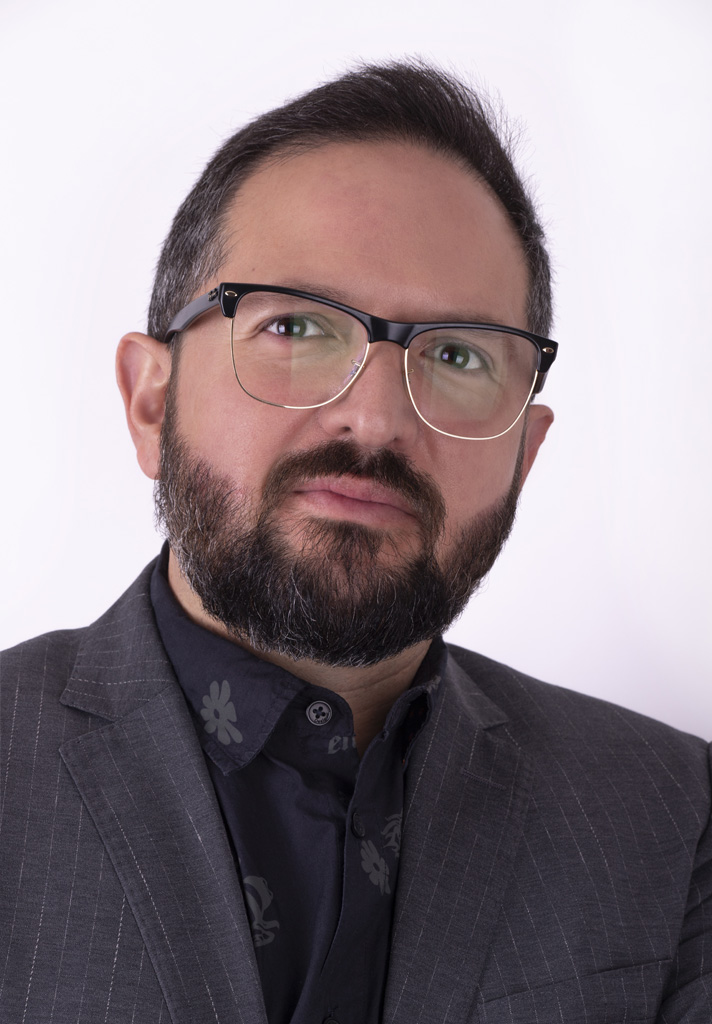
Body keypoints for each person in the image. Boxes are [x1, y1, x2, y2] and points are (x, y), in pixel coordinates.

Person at [0, 60, 709, 1024]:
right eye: (295, 326)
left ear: (525, 453)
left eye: (456, 354)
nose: (374, 421)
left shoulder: (672, 815)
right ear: (151, 401)